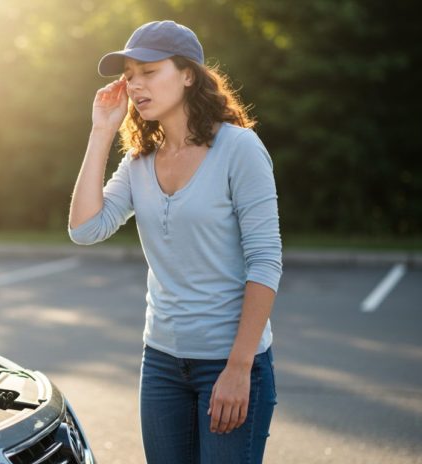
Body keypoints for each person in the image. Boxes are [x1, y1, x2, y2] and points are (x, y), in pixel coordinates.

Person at [68, 20, 282, 463]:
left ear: (188, 74)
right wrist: (101, 131)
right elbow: (85, 229)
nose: (135, 84)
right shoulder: (140, 161)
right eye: (129, 75)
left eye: (149, 71)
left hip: (230, 362)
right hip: (162, 363)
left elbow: (265, 262)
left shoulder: (239, 149)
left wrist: (239, 368)